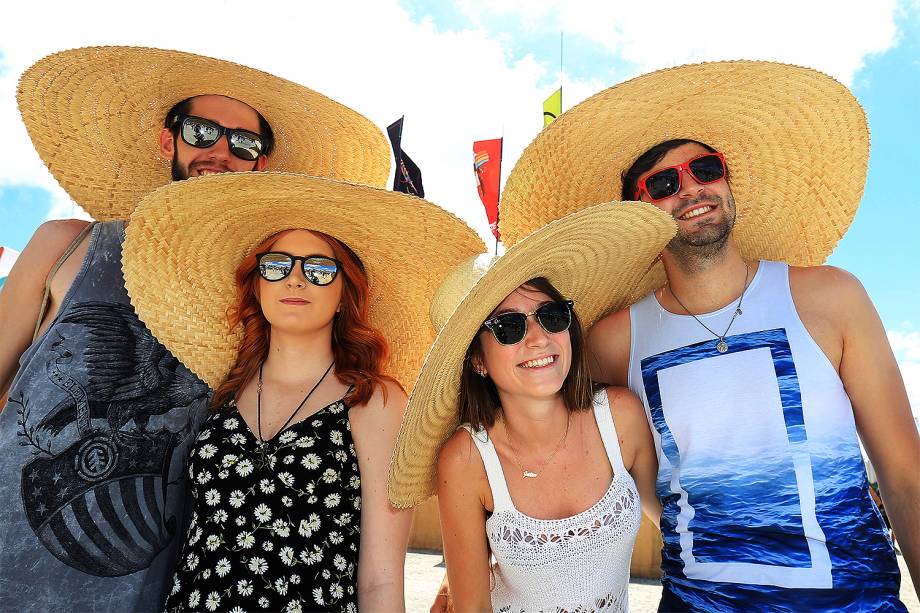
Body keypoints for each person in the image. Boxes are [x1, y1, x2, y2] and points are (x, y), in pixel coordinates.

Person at [497, 61, 918, 611]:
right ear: (638, 215)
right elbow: (553, 445)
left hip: (853, 602)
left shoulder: (830, 298)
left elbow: (905, 476)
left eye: (705, 167)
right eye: (664, 184)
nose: (691, 188)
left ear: (726, 179)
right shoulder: (612, 341)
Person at [0, 46, 390, 610]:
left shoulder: (256, 298)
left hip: (144, 585)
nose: (221, 151)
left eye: (245, 143)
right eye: (202, 130)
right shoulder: (67, 246)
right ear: (169, 140)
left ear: (262, 166)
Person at [122, 171, 485, 611]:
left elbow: (381, 579)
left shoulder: (374, 401)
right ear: (256, 286)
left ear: (344, 293)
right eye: (276, 266)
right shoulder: (219, 390)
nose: (296, 280)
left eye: (319, 268)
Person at [388, 203, 676, 611]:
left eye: (551, 316)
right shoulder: (467, 458)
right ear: (478, 361)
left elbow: (673, 522)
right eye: (509, 327)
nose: (539, 338)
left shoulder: (620, 416)